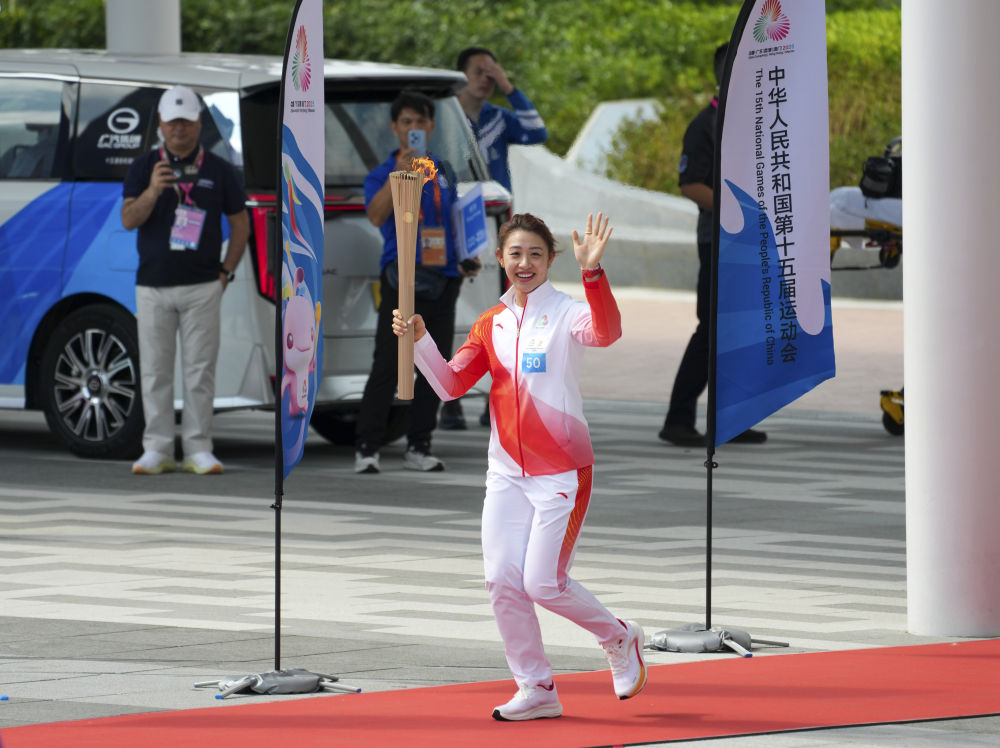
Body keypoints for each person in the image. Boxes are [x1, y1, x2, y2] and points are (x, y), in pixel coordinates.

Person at [392, 212, 646, 721]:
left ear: (551, 258)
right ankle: (536, 687)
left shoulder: (569, 312)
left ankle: (618, 637)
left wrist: (593, 275)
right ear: (500, 260)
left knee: (543, 582)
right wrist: (418, 339)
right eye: (515, 254)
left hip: (561, 471)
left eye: (535, 253)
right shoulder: (491, 323)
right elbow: (450, 385)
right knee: (502, 580)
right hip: (506, 472)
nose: (524, 263)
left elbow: (606, 332)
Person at [122, 85, 249, 475]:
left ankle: (198, 447)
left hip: (202, 287)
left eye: (187, 121)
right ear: (160, 124)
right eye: (172, 121)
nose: (179, 129)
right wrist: (154, 190)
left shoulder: (220, 170)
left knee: (199, 371)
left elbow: (240, 226)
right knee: (156, 371)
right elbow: (129, 219)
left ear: (198, 124)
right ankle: (156, 448)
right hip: (153, 286)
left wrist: (225, 273)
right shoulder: (144, 168)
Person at [355, 90, 479, 474]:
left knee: (433, 364)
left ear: (431, 126)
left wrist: (466, 257)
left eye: (420, 122)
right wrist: (401, 176)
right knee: (389, 363)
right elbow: (375, 216)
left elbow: (454, 218)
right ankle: (367, 447)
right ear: (394, 128)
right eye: (406, 122)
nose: (413, 128)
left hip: (442, 278)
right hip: (401, 278)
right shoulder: (383, 171)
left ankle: (420, 444)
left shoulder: (442, 171)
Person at [658, 43, 766, 447]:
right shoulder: (706, 123)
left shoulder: (753, 121)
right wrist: (737, 212)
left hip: (751, 242)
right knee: (713, 329)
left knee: (740, 329)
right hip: (720, 241)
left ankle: (733, 419)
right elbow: (691, 185)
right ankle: (678, 419)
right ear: (725, 74)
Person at [447, 45, 549, 430]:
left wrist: (509, 86)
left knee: (501, 312)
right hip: (456, 221)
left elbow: (538, 131)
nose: (485, 80)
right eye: (479, 72)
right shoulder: (447, 116)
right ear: (461, 75)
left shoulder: (498, 118)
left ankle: (496, 399)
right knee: (455, 310)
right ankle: (450, 398)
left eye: (491, 74)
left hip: (495, 222)